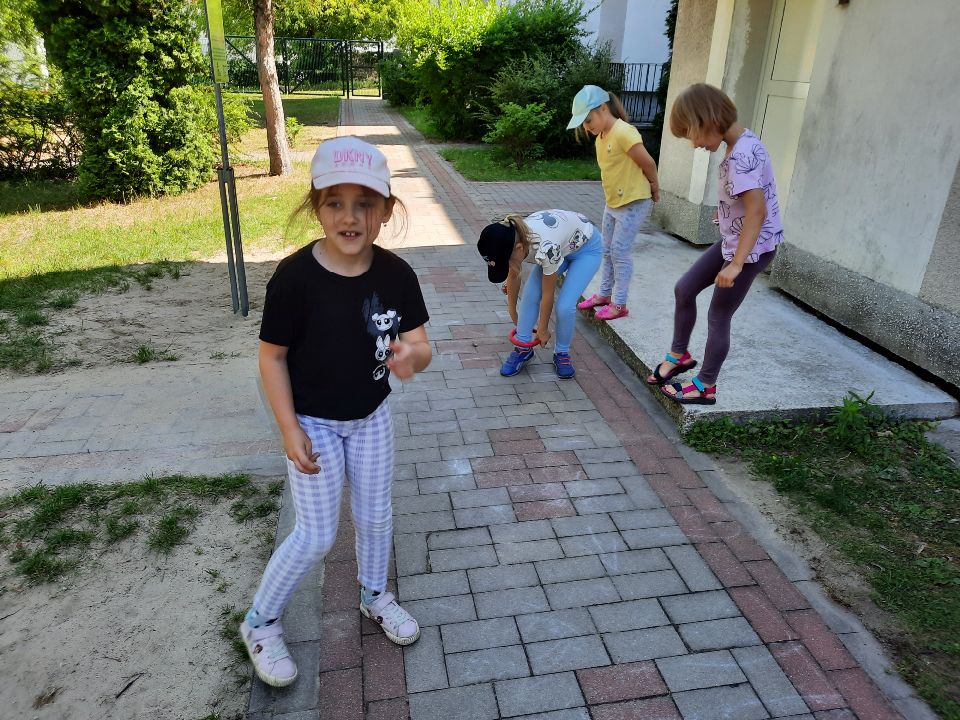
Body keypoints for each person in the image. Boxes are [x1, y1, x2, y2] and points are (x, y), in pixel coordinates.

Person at [240, 136, 432, 687]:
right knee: (317, 535)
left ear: (386, 210)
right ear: (316, 207)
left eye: (364, 204)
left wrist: (411, 358)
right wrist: (288, 429)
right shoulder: (294, 279)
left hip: (371, 418)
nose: (350, 217)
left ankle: (374, 595)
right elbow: (272, 357)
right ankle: (260, 622)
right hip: (314, 425)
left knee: (375, 516)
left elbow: (421, 346)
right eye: (335, 203)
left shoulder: (397, 275)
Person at [646, 83, 783, 405]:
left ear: (707, 120)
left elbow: (757, 211)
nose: (694, 144)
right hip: (735, 240)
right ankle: (679, 355)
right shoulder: (742, 142)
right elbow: (747, 200)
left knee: (719, 316)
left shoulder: (741, 155)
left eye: (692, 135)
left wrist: (736, 264)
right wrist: (725, 215)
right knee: (685, 289)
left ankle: (706, 385)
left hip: (749, 251)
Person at [567, 85, 661, 321]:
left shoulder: (624, 132)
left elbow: (648, 163)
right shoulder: (601, 137)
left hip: (634, 201)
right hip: (613, 203)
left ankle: (619, 304)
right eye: (583, 123)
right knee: (606, 250)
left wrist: (654, 187)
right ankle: (604, 295)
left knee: (620, 251)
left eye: (588, 120)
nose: (586, 127)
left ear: (603, 108)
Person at [478, 209, 602, 379]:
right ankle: (523, 347)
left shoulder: (545, 248)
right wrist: (512, 311)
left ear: (519, 249)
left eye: (505, 262)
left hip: (587, 249)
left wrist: (542, 329)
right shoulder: (514, 240)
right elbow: (514, 274)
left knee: (564, 306)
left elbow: (547, 294)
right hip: (561, 242)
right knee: (530, 294)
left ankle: (562, 352)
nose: (507, 266)